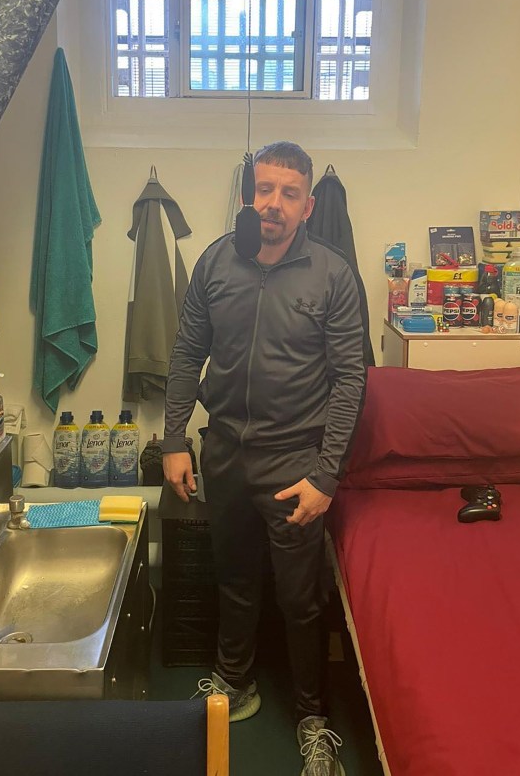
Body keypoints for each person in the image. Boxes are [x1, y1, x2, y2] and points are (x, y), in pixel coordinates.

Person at [163, 142, 366, 776]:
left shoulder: (332, 275)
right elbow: (187, 352)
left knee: (301, 599)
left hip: (295, 461)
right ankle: (235, 681)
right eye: (263, 189)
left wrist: (326, 475)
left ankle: (312, 718)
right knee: (234, 579)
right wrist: (174, 439)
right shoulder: (216, 260)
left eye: (288, 193)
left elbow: (350, 380)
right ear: (249, 194)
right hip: (224, 451)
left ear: (308, 204)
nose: (273, 203)